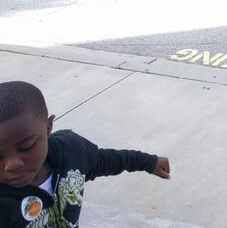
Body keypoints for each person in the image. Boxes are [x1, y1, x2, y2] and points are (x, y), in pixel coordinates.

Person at [0, 81, 171, 227]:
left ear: (48, 128)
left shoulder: (70, 151)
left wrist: (148, 162)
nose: (11, 165)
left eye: (26, 146)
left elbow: (101, 161)